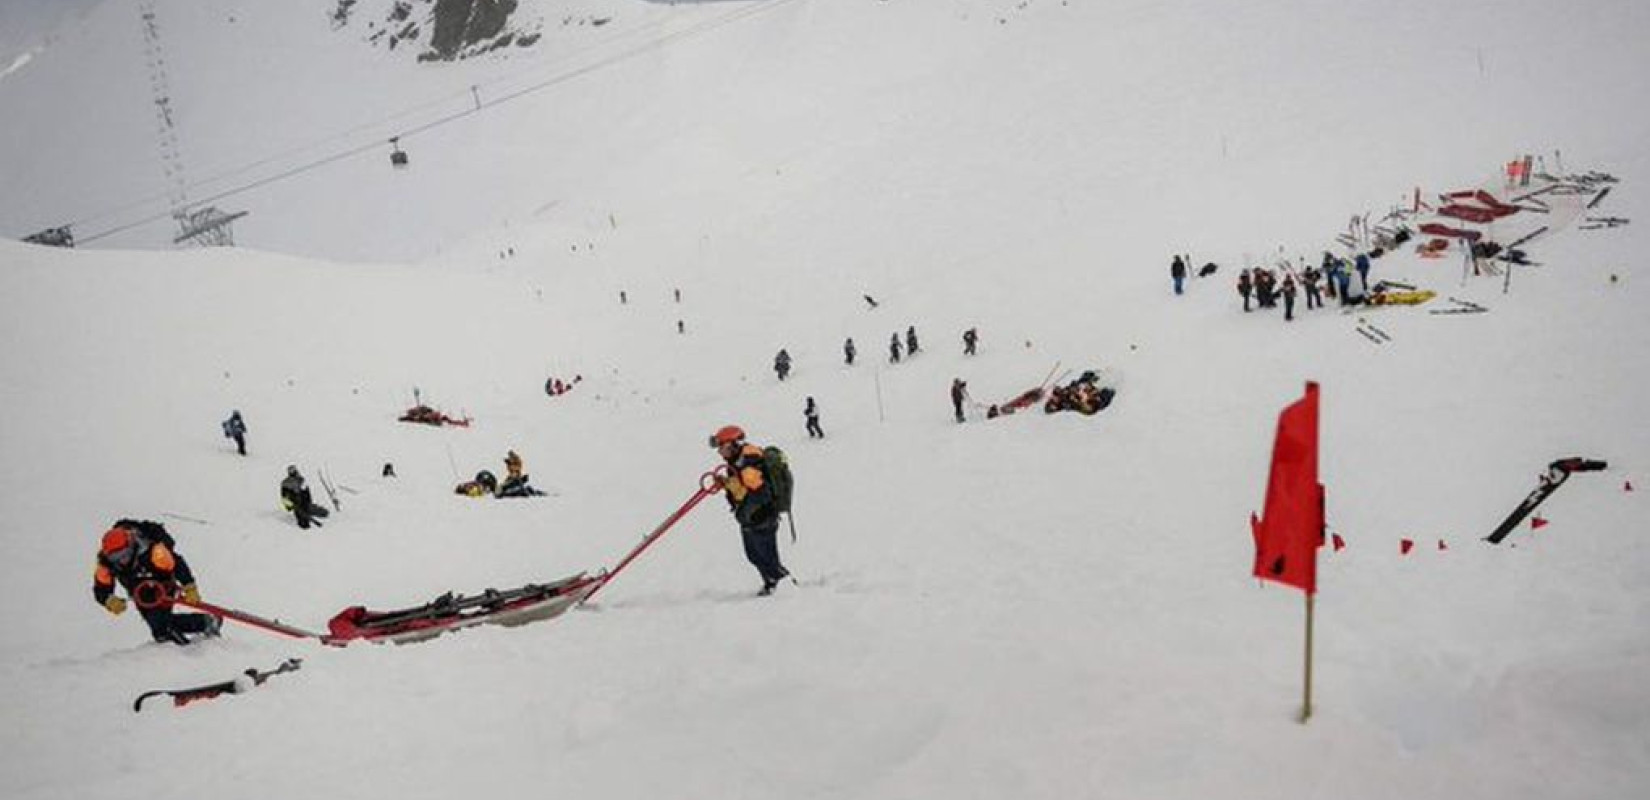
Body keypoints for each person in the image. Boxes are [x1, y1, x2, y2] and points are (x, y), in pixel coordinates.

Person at [93, 519, 219, 645]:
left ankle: (189, 644)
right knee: (160, 627)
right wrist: (109, 601)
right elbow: (101, 589)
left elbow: (177, 564)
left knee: (161, 628)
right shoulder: (106, 564)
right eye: (115, 557)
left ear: (131, 545)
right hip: (140, 594)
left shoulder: (153, 551)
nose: (121, 560)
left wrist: (189, 586)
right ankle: (204, 623)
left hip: (163, 586)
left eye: (124, 554)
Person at [710, 426, 789, 595]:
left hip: (761, 520)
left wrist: (746, 512)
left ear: (734, 445)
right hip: (752, 520)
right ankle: (772, 582)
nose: (720, 452)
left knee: (766, 557)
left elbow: (762, 494)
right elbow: (742, 490)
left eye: (723, 447)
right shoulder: (737, 462)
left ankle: (782, 585)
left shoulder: (748, 465)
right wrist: (727, 484)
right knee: (754, 555)